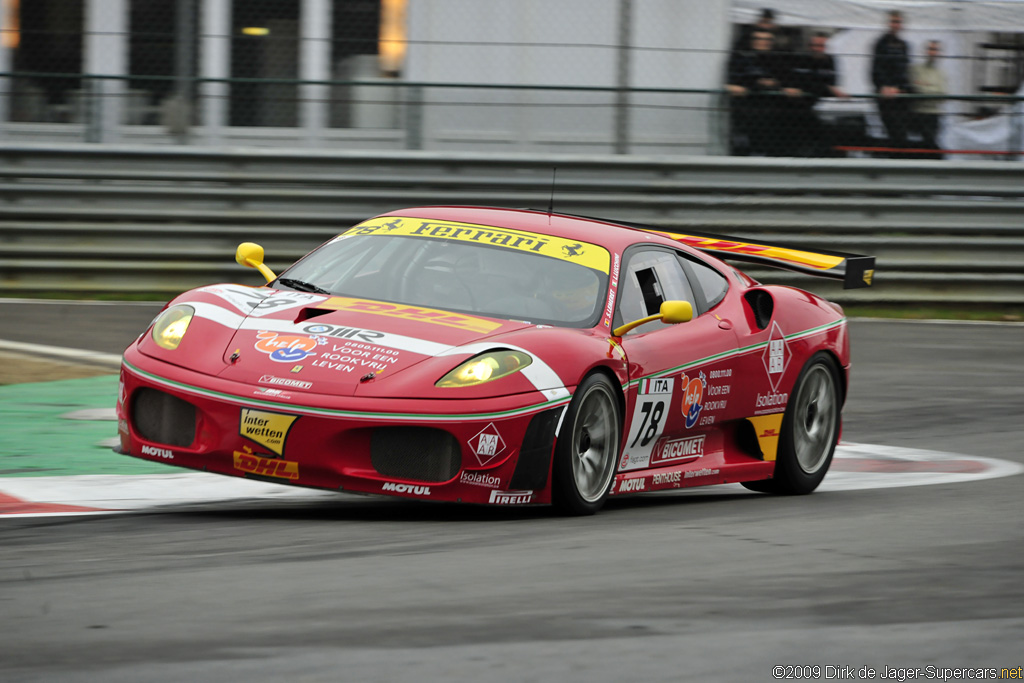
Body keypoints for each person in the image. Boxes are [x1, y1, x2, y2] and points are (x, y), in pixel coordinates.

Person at [726, 29, 789, 156]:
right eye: (759, 39)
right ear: (752, 41)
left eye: (767, 39)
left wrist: (773, 84)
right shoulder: (743, 58)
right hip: (746, 111)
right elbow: (737, 81)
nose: (763, 42)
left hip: (771, 114)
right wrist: (757, 83)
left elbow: (785, 80)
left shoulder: (778, 60)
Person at [787, 32, 849, 156]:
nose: (817, 49)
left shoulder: (830, 60)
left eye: (821, 46)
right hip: (797, 105)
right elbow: (799, 81)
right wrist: (825, 87)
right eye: (814, 45)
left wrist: (820, 86)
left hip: (816, 103)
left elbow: (832, 82)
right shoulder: (801, 59)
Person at [871, 10, 912, 156]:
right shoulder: (881, 43)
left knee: (902, 134)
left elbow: (905, 70)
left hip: (901, 97)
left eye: (898, 22)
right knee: (894, 132)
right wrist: (885, 86)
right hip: (887, 96)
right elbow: (876, 69)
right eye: (894, 21)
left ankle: (899, 163)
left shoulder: (904, 45)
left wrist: (903, 88)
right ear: (889, 23)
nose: (896, 25)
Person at [910, 40, 948, 159]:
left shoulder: (941, 74)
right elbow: (915, 88)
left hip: (933, 114)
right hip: (918, 113)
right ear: (925, 51)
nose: (933, 52)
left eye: (935, 50)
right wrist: (932, 90)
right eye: (930, 49)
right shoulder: (916, 69)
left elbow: (942, 94)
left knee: (930, 142)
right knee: (923, 144)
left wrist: (925, 87)